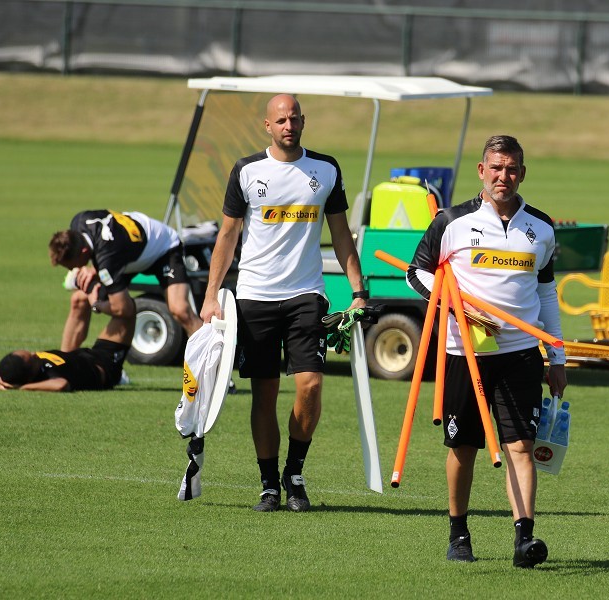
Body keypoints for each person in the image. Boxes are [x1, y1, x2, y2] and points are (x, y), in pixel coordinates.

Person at [199, 94, 366, 513]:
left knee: (310, 385)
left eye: (294, 118)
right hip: (254, 296)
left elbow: (342, 233)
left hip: (306, 294)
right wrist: (210, 296)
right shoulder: (247, 170)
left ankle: (295, 472)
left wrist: (358, 290)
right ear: (267, 126)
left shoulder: (325, 169)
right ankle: (269, 483)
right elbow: (227, 236)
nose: (288, 125)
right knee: (265, 393)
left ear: (303, 122)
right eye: (280, 120)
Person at [406, 135, 567, 568]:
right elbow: (415, 273)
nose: (503, 176)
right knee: (463, 449)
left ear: (522, 173)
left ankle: (524, 540)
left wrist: (557, 358)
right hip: (464, 354)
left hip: (520, 354)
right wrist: (458, 311)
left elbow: (547, 294)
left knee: (521, 445)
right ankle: (459, 533)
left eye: (512, 168)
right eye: (496, 167)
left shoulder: (541, 227)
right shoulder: (452, 221)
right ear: (482, 171)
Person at [49, 210, 203, 351]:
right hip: (126, 255)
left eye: (72, 265)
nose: (72, 270)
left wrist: (96, 304)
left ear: (83, 251)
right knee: (78, 300)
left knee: (181, 310)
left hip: (164, 249)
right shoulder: (78, 221)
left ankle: (213, 367)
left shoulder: (106, 260)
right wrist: (92, 268)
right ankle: (63, 365)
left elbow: (123, 307)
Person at [0, 336, 129, 392]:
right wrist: (23, 388)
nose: (34, 353)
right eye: (32, 358)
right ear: (30, 375)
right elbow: (61, 384)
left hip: (85, 354)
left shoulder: (11, 371)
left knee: (78, 300)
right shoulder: (49, 375)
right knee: (125, 311)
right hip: (105, 365)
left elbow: (3, 380)